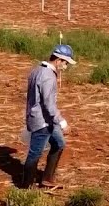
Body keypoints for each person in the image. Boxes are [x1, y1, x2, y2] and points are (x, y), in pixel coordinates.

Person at [23, 44, 75, 189]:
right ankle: (26, 186)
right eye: (65, 63)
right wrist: (62, 122)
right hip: (42, 121)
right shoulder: (48, 76)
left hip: (45, 119)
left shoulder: (37, 70)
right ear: (58, 60)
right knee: (35, 153)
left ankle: (47, 178)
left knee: (59, 143)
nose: (65, 67)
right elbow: (48, 104)